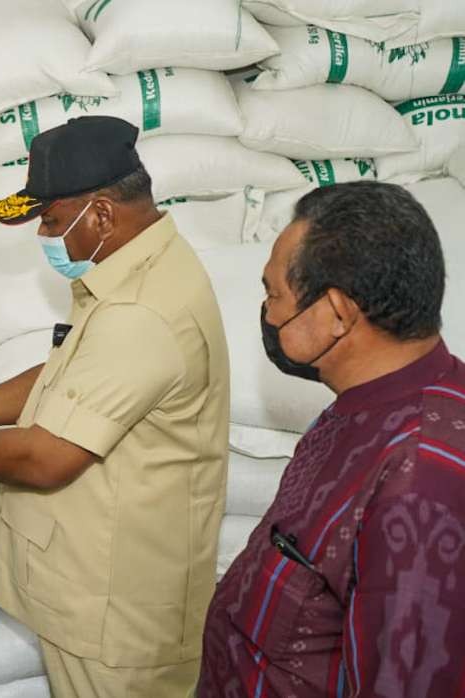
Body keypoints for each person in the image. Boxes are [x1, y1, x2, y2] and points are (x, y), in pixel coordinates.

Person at [0, 116, 230, 698]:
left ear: (100, 215)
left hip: (118, 616)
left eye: (50, 218)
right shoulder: (136, 267)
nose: (43, 232)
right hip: (99, 588)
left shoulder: (141, 311)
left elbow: (47, 457)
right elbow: (74, 374)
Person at [198, 182, 465, 697]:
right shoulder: (367, 401)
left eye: (275, 294)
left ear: (338, 314)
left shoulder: (419, 484)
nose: (269, 313)